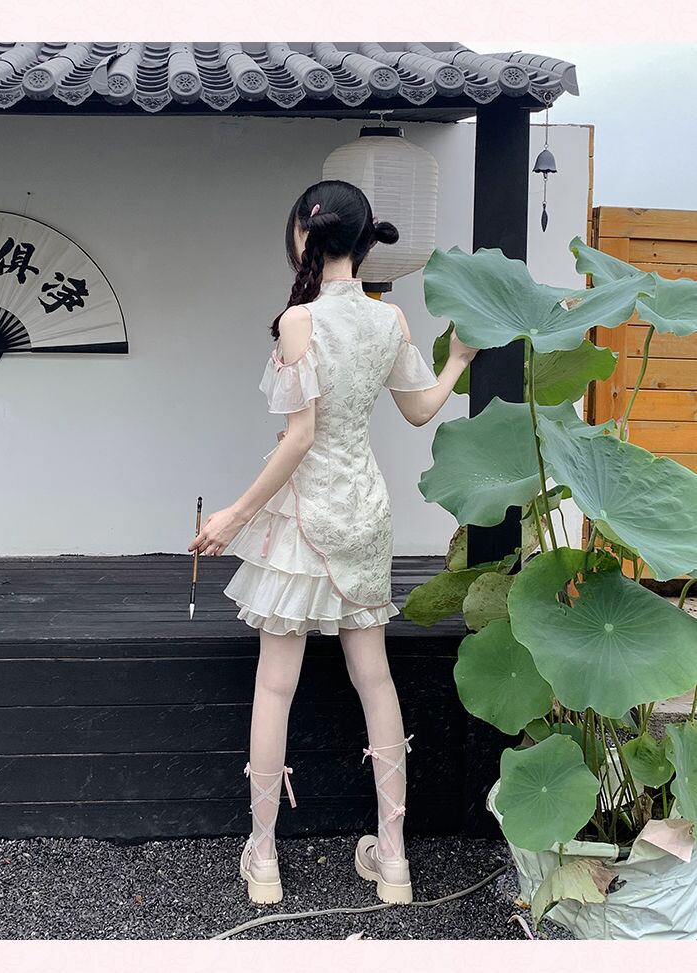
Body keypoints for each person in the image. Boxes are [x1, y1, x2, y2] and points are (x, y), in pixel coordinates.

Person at [188, 179, 478, 906]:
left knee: (275, 685)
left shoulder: (299, 321)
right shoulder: (390, 320)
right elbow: (419, 411)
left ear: (303, 235)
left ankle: (263, 858)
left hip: (303, 520)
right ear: (364, 238)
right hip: (364, 512)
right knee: (375, 679)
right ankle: (395, 859)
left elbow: (299, 439)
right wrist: (458, 359)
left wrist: (233, 516)